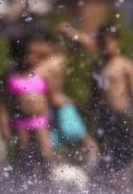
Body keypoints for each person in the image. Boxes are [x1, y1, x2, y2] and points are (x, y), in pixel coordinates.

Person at [89, 24, 133, 186]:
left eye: (108, 42)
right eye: (101, 43)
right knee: (106, 153)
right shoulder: (97, 67)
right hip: (105, 117)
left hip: (122, 115)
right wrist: (91, 123)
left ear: (117, 42)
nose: (105, 46)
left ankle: (125, 182)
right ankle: (111, 185)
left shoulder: (125, 65)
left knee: (127, 152)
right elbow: (93, 98)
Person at [0, 31, 54, 185]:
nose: (30, 58)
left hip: (40, 120)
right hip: (20, 121)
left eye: (33, 55)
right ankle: (24, 186)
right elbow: (0, 102)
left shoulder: (42, 72)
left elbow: (51, 97)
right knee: (24, 155)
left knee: (46, 154)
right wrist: (3, 124)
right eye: (27, 54)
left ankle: (49, 186)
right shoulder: (9, 75)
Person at [34, 28, 99, 166]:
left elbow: (89, 45)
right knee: (48, 150)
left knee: (88, 144)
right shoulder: (38, 65)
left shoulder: (58, 58)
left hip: (62, 107)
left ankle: (92, 173)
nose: (38, 48)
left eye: (41, 44)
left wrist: (69, 31)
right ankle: (54, 177)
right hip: (48, 111)